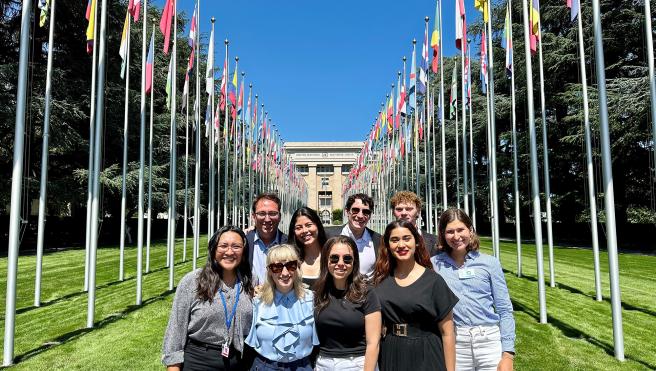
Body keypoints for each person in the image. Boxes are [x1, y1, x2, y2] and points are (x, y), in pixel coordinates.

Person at [431, 209, 516, 371]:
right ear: (442, 234)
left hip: (489, 341)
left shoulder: (490, 263)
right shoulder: (434, 265)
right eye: (450, 232)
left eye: (460, 230)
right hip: (456, 343)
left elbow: (505, 310)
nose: (456, 237)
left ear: (470, 230)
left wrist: (507, 354)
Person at [162, 225, 255, 371]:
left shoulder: (251, 281)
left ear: (244, 252)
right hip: (199, 361)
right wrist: (173, 367)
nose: (229, 252)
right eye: (223, 246)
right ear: (213, 250)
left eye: (236, 246)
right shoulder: (193, 281)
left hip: (239, 361)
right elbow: (176, 329)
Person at [372, 220, 458, 371]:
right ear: (387, 245)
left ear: (416, 242)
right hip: (391, 352)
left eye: (406, 238)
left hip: (426, 353)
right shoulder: (381, 280)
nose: (401, 245)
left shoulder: (433, 281)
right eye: (394, 240)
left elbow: (448, 333)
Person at [245, 244, 319, 371]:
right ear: (269, 271)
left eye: (290, 266)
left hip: (302, 367)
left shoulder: (311, 299)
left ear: (297, 268)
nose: (285, 273)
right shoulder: (258, 302)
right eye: (277, 267)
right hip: (264, 367)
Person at [314, 235, 382, 371]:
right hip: (323, 364)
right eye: (334, 258)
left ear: (354, 262)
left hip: (357, 363)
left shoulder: (367, 293)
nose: (340, 263)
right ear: (326, 260)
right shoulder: (318, 293)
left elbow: (373, 343)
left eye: (347, 259)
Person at [325, 193, 382, 277]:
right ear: (347, 212)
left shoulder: (379, 240)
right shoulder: (328, 235)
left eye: (366, 212)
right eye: (355, 210)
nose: (360, 215)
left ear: (370, 216)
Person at [246, 193, 288, 286]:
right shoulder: (244, 243)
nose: (267, 219)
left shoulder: (290, 244)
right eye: (262, 213)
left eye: (273, 213)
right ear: (254, 217)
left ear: (279, 217)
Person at [287, 207, 327, 288]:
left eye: (309, 225)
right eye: (299, 228)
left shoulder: (331, 254)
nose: (304, 230)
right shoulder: (290, 259)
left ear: (317, 225)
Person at [390, 191, 438, 256]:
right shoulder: (384, 241)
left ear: (418, 211)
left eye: (409, 209)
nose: (404, 213)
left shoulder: (435, 242)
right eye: (399, 209)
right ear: (393, 212)